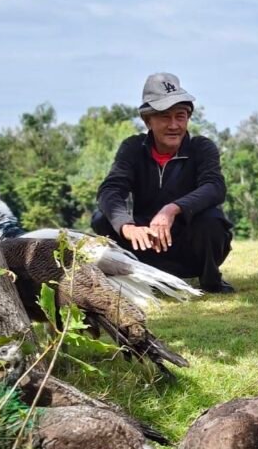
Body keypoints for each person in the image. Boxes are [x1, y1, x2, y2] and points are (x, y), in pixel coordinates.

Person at [92, 72, 234, 293]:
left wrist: (172, 209)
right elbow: (110, 189)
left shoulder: (201, 147)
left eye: (180, 116)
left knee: (213, 221)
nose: (174, 125)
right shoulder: (133, 148)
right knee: (102, 219)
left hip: (189, 245)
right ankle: (128, 277)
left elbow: (214, 187)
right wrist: (127, 226)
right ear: (147, 120)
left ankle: (210, 279)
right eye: (165, 117)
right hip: (145, 246)